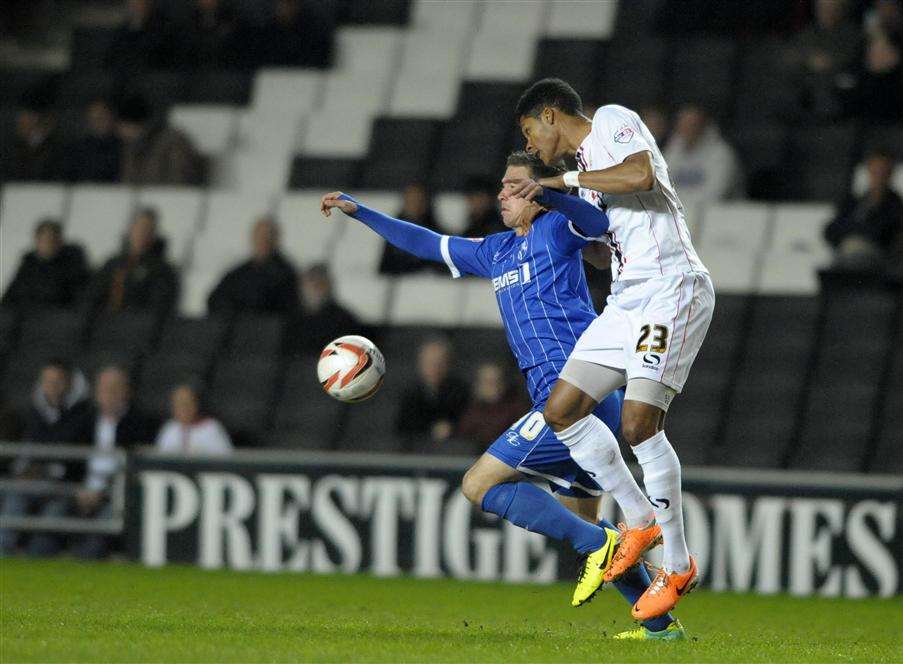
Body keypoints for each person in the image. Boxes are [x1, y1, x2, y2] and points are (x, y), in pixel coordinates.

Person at [320, 150, 685, 640]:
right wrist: (361, 212)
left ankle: (599, 544)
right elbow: (429, 243)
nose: (502, 194)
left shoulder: (557, 229)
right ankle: (660, 629)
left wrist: (555, 194)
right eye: (502, 186)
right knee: (592, 533)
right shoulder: (496, 250)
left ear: (536, 194)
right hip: (572, 405)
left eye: (514, 186)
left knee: (479, 485)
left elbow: (597, 220)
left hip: (572, 397)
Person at [509, 78, 714, 622]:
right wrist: (565, 221)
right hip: (625, 300)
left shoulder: (611, 122)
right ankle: (638, 516)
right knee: (562, 410)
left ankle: (677, 561)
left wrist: (564, 179)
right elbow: (606, 248)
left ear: (552, 116)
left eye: (531, 132)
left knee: (639, 422)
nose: (532, 147)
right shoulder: (587, 183)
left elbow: (642, 175)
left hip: (670, 289)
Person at [0, 360, 91, 556]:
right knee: (14, 499)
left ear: (68, 384)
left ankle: (35, 560)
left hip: (65, 487)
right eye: (48, 381)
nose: (52, 387)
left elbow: (77, 461)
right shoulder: (30, 414)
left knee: (53, 516)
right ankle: (3, 555)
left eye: (57, 381)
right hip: (32, 483)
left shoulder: (84, 416)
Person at [73, 366, 157, 558]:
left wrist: (103, 491)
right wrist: (79, 487)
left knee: (106, 520)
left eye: (114, 388)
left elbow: (136, 467)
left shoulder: (140, 424)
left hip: (118, 494)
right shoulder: (84, 421)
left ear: (126, 391)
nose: (108, 394)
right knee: (55, 511)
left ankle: (85, 563)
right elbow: (72, 462)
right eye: (103, 389)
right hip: (82, 491)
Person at [86, 207, 179, 318]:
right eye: (139, 229)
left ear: (154, 235)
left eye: (148, 230)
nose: (142, 234)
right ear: (131, 230)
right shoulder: (113, 264)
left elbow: (159, 306)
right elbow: (93, 296)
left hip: (137, 326)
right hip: (106, 325)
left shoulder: (163, 270)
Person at [824, 148, 903, 268]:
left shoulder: (896, 206)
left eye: (883, 171)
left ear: (890, 173)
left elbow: (885, 233)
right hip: (846, 255)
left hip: (877, 262)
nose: (879, 176)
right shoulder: (855, 203)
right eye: (875, 171)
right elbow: (831, 229)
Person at [207, 216, 298, 316]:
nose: (263, 241)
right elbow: (215, 300)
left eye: (267, 237)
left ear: (276, 240)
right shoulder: (238, 273)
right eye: (259, 237)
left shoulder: (287, 274)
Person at [790, 0, 862, 118]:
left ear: (842, 10)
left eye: (832, 8)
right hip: (805, 98)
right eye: (822, 8)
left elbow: (850, 62)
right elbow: (796, 58)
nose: (827, 12)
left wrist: (829, 62)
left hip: (837, 99)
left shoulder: (853, 35)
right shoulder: (806, 35)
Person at [394, 338, 469, 448]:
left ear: (449, 364)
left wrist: (452, 428)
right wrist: (430, 430)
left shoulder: (461, 392)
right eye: (430, 362)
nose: (435, 368)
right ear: (420, 364)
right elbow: (401, 428)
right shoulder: (408, 394)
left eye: (440, 363)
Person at [1, 219, 90, 311]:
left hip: (55, 315)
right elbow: (12, 292)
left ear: (59, 241)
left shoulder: (71, 263)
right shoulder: (30, 262)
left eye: (51, 240)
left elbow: (72, 295)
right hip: (25, 315)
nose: (47, 245)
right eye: (43, 240)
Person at [663, 104, 742, 205]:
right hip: (680, 212)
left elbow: (715, 195)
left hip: (721, 215)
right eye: (683, 125)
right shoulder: (673, 149)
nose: (686, 130)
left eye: (692, 125)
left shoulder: (721, 154)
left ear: (702, 125)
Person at [116, 94, 202, 186]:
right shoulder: (131, 147)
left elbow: (179, 181)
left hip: (169, 197)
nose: (119, 132)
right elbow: (127, 182)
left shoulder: (173, 143)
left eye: (121, 126)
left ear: (131, 125)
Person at [287, 264, 360, 355]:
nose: (314, 288)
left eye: (319, 284)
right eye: (310, 282)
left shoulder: (343, 320)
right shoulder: (289, 317)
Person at [456, 362, 530, 447]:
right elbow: (461, 438)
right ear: (477, 384)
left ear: (502, 383)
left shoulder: (516, 409)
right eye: (486, 381)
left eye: (495, 381)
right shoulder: (468, 408)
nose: (490, 386)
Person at [379, 182, 445, 275]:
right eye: (411, 199)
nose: (414, 204)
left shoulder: (435, 232)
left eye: (418, 199)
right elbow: (384, 267)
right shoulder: (392, 230)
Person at [155, 384, 232, 456]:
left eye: (185, 403)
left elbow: (225, 461)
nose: (182, 409)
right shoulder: (170, 428)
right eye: (177, 404)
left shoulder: (211, 428)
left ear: (196, 404)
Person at [64, 99, 121, 183]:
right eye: (94, 118)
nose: (98, 122)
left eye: (102, 117)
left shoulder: (122, 147)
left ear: (111, 117)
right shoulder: (77, 149)